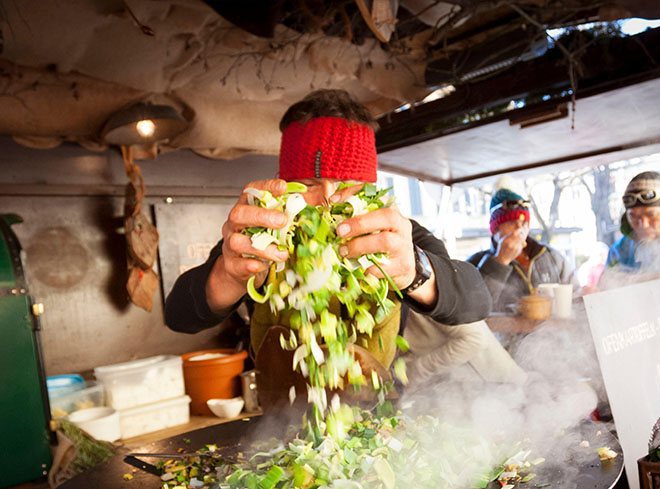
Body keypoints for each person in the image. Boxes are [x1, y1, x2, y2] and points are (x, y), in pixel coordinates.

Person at [165, 89, 491, 400]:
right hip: (280, 416)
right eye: (308, 184)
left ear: (368, 187)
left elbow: (474, 301)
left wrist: (417, 271)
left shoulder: (395, 236)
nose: (327, 200)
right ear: (282, 183)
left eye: (348, 185)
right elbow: (177, 314)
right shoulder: (261, 237)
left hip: (376, 411)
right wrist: (226, 278)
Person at [467, 186, 575, 312]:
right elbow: (471, 308)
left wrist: (585, 293)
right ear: (495, 230)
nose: (520, 229)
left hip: (552, 331)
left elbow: (574, 293)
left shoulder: (550, 256)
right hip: (501, 331)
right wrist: (501, 260)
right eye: (512, 223)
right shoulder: (474, 264)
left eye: (524, 223)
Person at [402, 311, 526, 386]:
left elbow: (474, 340)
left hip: (496, 384)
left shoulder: (424, 294)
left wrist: (417, 369)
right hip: (462, 388)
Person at [603, 171, 660, 273]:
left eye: (651, 215)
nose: (643, 225)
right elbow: (607, 281)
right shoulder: (618, 251)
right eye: (634, 216)